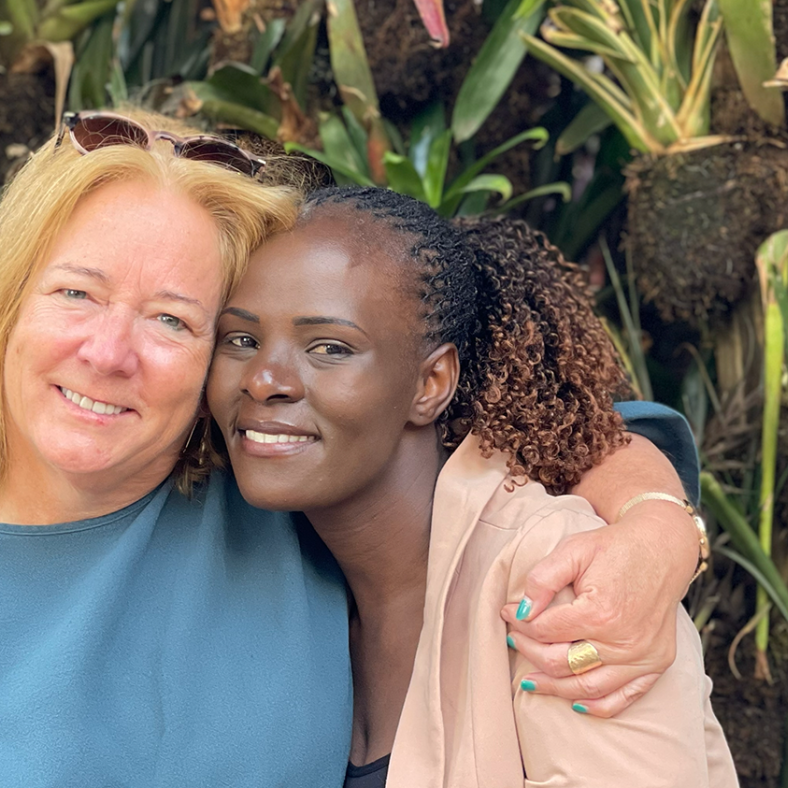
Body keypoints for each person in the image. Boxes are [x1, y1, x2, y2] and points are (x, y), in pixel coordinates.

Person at [0, 113, 707, 785]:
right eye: (75, 291)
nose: (108, 352)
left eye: (173, 319)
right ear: (2, 304)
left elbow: (560, 437)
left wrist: (656, 529)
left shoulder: (270, 505)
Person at [207, 186, 736, 786]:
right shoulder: (266, 566)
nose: (264, 380)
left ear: (431, 382)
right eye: (241, 340)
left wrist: (659, 520)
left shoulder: (559, 582)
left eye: (329, 347)